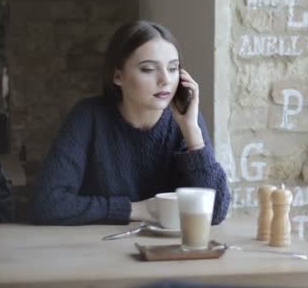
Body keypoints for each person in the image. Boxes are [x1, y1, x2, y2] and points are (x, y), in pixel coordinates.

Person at [29, 20, 230, 226]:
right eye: (148, 69)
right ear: (118, 76)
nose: (165, 80)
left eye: (173, 68)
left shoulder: (187, 121)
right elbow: (46, 204)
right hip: (96, 248)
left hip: (168, 252)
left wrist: (191, 132)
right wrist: (136, 209)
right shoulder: (88, 117)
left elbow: (215, 212)